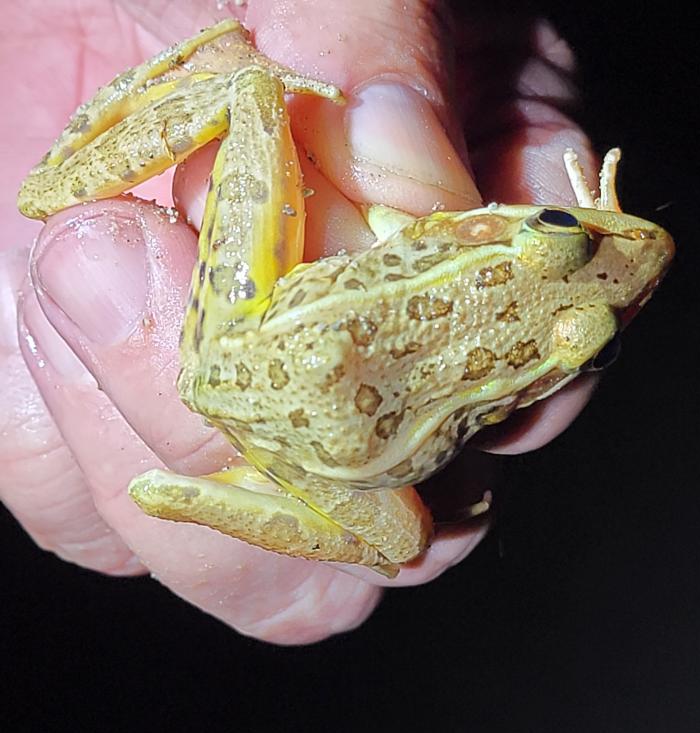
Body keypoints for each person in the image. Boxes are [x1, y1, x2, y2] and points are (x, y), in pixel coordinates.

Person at [0, 0, 600, 643]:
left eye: (591, 340)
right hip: (291, 452)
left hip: (246, 317)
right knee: (408, 536)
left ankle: (59, 183)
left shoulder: (455, 233)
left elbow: (389, 223)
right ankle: (183, 493)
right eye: (564, 232)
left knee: (250, 92)